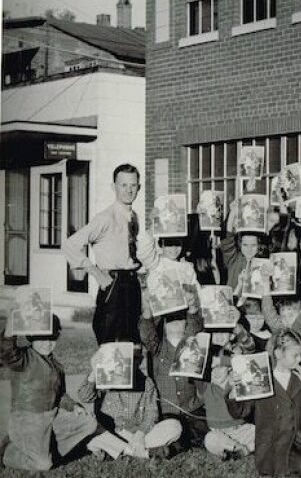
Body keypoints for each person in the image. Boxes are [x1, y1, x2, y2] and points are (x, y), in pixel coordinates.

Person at [0, 315, 97, 471]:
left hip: (53, 416)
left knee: (89, 423)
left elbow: (60, 395)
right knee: (43, 465)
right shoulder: (24, 358)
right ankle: (8, 451)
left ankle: (49, 451)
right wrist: (10, 329)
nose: (47, 343)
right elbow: (7, 353)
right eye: (42, 338)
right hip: (28, 419)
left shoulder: (57, 366)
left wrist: (74, 407)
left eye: (52, 338)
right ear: (31, 338)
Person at [61, 163, 143, 344]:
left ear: (139, 187)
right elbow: (70, 245)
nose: (129, 190)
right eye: (124, 185)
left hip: (132, 284)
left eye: (133, 185)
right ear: (113, 187)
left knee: (132, 347)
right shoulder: (105, 218)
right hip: (113, 286)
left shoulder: (133, 216)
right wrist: (96, 273)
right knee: (110, 348)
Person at [79, 347, 182, 460]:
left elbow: (151, 414)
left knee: (175, 426)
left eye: (135, 359)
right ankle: (143, 453)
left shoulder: (146, 382)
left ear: (140, 360)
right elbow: (84, 397)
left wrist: (140, 435)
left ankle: (120, 450)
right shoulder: (105, 376)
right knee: (91, 430)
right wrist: (95, 371)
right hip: (112, 432)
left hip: (138, 434)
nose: (131, 363)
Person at [139, 288, 207, 450]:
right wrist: (147, 310)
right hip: (167, 412)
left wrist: (192, 308)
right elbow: (147, 334)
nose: (176, 322)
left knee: (204, 432)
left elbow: (194, 326)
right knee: (176, 436)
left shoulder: (191, 343)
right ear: (163, 324)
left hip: (192, 408)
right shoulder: (158, 348)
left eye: (180, 319)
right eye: (170, 320)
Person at [254, 331, 301, 477]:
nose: (300, 359)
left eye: (300, 354)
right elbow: (240, 411)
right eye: (295, 355)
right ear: (278, 353)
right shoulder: (263, 378)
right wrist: (233, 389)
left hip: (299, 439)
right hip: (273, 442)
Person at [202, 354, 255, 460]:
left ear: (229, 367)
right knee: (210, 439)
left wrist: (220, 360)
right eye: (212, 368)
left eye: (220, 367)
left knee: (262, 431)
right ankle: (236, 448)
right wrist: (217, 361)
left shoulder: (236, 382)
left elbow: (244, 363)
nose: (216, 371)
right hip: (220, 433)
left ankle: (245, 449)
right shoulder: (206, 386)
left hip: (241, 430)